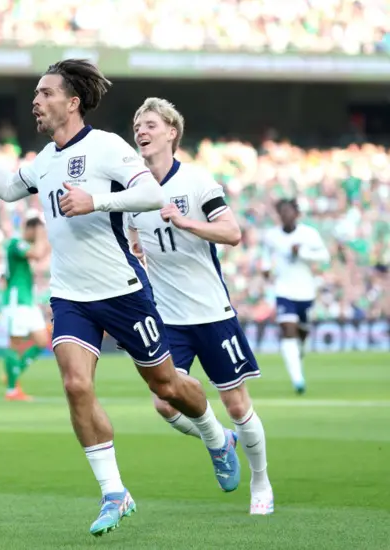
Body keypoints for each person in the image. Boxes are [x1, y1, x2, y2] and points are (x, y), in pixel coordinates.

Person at [0, 59, 239, 537]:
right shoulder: (46, 159)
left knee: (167, 386)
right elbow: (10, 189)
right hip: (70, 295)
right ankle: (114, 491)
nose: (36, 100)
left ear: (72, 102)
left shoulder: (106, 148)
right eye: (36, 93)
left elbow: (153, 196)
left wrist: (98, 201)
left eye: (45, 93)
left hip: (123, 291)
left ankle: (217, 439)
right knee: (76, 385)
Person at [126, 97, 273, 515]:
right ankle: (218, 440)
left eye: (150, 123)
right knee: (163, 402)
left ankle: (260, 483)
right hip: (169, 318)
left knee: (237, 405)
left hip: (211, 313)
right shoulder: (134, 191)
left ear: (172, 132)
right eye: (138, 124)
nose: (142, 130)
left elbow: (232, 232)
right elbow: (137, 242)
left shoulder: (196, 181)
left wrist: (186, 222)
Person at [262, 199, 330, 394]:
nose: (286, 215)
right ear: (279, 215)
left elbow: (324, 256)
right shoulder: (272, 236)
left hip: (306, 291)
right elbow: (266, 255)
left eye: (289, 212)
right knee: (287, 329)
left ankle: (299, 351)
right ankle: (297, 379)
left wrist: (302, 252)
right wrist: (266, 269)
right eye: (282, 212)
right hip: (284, 290)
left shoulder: (308, 234)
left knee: (302, 333)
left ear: (296, 214)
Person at [0, 216, 50, 401]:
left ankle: (13, 371)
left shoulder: (24, 246)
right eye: (37, 231)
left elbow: (42, 253)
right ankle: (11, 390)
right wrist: (40, 235)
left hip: (27, 300)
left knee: (41, 341)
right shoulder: (16, 243)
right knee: (15, 343)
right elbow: (38, 254)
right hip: (17, 300)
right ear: (29, 229)